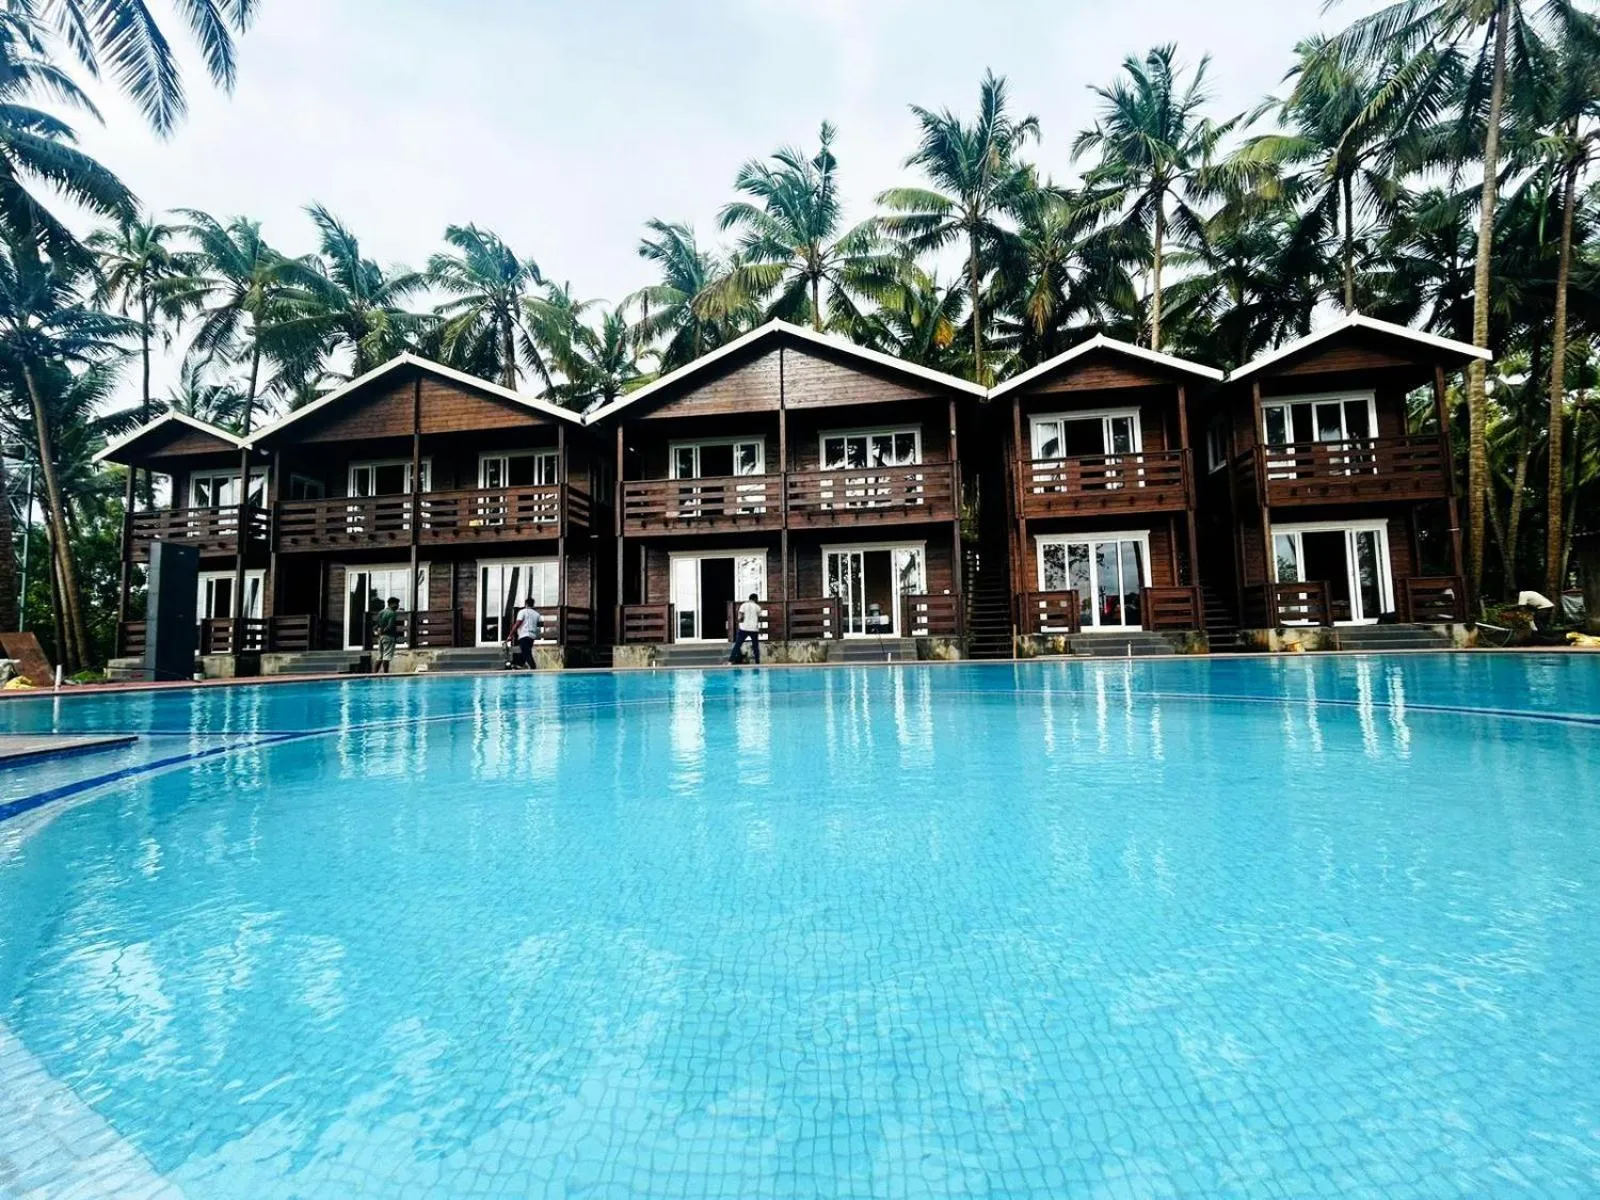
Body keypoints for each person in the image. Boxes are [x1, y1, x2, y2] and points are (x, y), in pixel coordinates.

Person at [730, 593, 762, 665]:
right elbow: (759, 617)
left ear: (749, 598)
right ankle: (757, 662)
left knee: (738, 644)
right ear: (755, 599)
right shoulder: (758, 607)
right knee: (755, 646)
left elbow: (740, 616)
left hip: (744, 628)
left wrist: (740, 621)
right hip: (753, 629)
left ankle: (730, 660)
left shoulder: (743, 605)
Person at [510, 597, 541, 669]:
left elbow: (518, 623)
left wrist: (511, 634)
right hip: (532, 636)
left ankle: (533, 667)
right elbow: (539, 625)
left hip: (523, 635)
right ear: (533, 604)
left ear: (526, 604)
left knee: (526, 652)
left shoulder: (522, 612)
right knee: (525, 651)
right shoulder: (537, 614)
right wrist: (538, 635)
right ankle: (519, 665)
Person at [374, 597, 401, 673]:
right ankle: (386, 674)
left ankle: (374, 673)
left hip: (380, 637)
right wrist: (384, 631)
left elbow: (377, 624)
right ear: (392, 604)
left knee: (380, 656)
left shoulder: (381, 612)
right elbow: (390, 626)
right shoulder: (392, 613)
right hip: (389, 636)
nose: (398, 606)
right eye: (397, 604)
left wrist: (379, 632)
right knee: (387, 656)